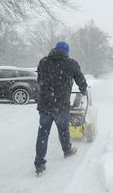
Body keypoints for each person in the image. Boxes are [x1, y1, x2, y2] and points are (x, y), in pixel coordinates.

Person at [34, 41, 87, 174]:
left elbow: (39, 79)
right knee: (63, 130)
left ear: (55, 49)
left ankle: (39, 162)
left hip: (45, 105)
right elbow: (80, 79)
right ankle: (67, 150)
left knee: (43, 134)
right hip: (61, 106)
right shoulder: (71, 63)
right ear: (66, 52)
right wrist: (83, 89)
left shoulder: (43, 61)